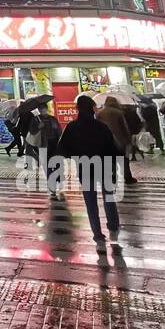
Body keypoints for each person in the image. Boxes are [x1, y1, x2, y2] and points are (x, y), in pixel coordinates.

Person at [57, 95, 122, 246]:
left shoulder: (72, 127)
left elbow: (62, 148)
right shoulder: (101, 126)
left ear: (77, 109)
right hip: (104, 166)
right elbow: (114, 148)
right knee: (109, 197)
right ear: (92, 108)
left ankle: (97, 234)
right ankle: (113, 226)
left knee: (90, 202)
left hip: (85, 168)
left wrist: (76, 156)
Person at [97, 96, 138, 185]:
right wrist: (128, 140)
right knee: (124, 160)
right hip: (120, 140)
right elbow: (125, 127)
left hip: (106, 141)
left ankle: (112, 177)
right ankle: (128, 177)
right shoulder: (119, 113)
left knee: (110, 160)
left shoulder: (100, 113)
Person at [24, 101, 62, 193]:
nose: (42, 110)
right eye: (41, 109)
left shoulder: (53, 119)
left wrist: (61, 141)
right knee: (46, 164)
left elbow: (59, 131)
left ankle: (57, 176)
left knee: (56, 163)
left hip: (54, 143)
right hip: (42, 144)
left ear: (47, 109)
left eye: (44, 108)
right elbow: (31, 132)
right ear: (39, 110)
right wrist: (38, 127)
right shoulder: (35, 120)